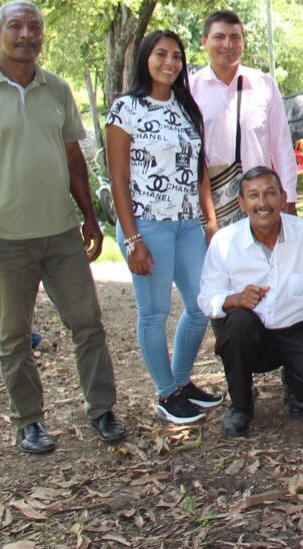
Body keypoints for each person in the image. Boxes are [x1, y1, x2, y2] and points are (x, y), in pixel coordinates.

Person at [0, 0, 124, 453]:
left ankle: (102, 410)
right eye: (16, 25)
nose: (27, 33)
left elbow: (73, 158)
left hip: (60, 232)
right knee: (14, 336)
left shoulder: (57, 89)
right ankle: (29, 421)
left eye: (35, 26)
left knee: (87, 323)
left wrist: (89, 217)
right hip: (3, 238)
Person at [106, 30, 221, 424]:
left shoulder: (186, 107)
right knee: (153, 313)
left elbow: (199, 168)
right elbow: (118, 178)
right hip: (147, 224)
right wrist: (132, 238)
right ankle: (166, 392)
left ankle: (182, 380)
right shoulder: (126, 109)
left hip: (188, 223)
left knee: (200, 304)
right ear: (145, 58)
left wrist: (209, 219)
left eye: (176, 56)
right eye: (161, 54)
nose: (170, 63)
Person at [198, 167, 303, 438]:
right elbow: (206, 299)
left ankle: (296, 386)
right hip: (251, 337)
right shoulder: (225, 242)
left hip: (296, 330)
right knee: (237, 324)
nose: (263, 203)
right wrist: (235, 299)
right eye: (253, 196)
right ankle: (241, 408)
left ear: (283, 197)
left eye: (270, 193)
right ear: (241, 204)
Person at [190, 9, 299, 222]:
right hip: (209, 204)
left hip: (259, 201)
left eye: (234, 37)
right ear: (204, 41)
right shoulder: (191, 89)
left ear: (243, 41)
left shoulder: (263, 84)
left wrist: (290, 198)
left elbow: (282, 146)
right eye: (219, 37)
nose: (227, 44)